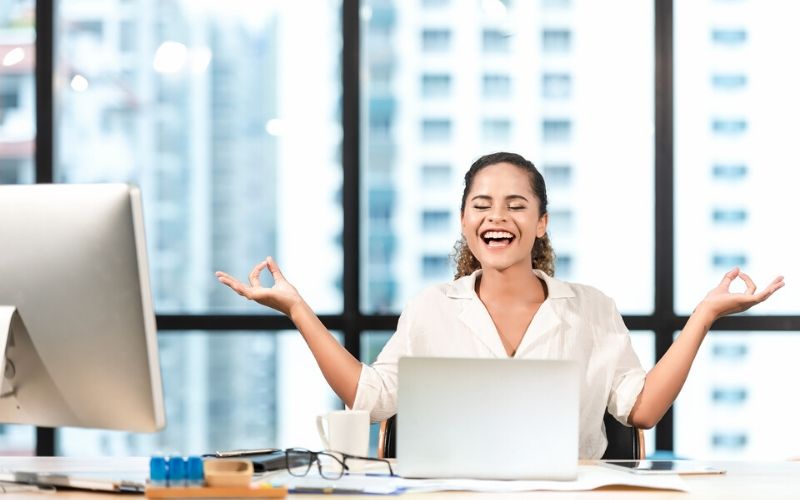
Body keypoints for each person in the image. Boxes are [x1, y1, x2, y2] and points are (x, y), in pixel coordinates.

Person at [216, 151, 784, 459]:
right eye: (482, 205)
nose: (497, 217)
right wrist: (298, 310)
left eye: (516, 205)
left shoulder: (590, 307)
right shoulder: (431, 307)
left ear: (540, 224)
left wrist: (702, 317)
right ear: (465, 222)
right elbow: (369, 400)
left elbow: (641, 412)